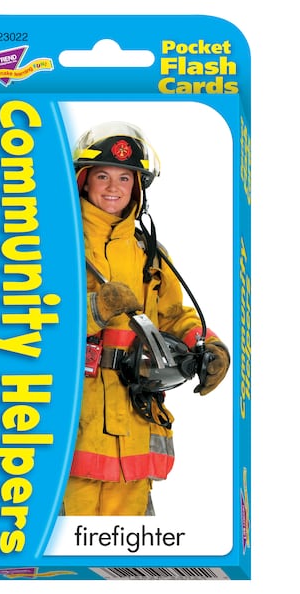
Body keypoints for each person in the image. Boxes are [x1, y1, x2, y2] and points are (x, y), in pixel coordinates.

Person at [62, 121, 230, 516]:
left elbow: (173, 315)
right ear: (84, 181)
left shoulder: (148, 252)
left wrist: (206, 345)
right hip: (72, 424)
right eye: (102, 175)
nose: (114, 187)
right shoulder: (53, 244)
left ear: (138, 188)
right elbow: (26, 319)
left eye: (125, 178)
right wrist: (95, 310)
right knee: (66, 543)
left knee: (130, 546)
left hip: (135, 425)